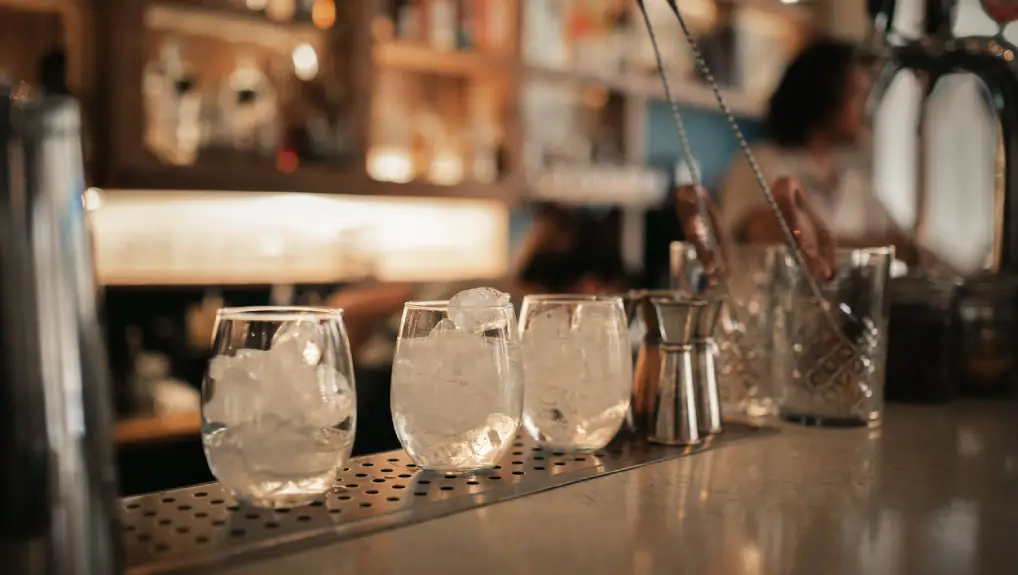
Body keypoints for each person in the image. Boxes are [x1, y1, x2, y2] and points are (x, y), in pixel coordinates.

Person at [720, 38, 918, 263]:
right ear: (823, 94)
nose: (867, 109)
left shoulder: (854, 181)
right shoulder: (759, 164)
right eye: (857, 95)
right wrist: (880, 245)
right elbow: (779, 243)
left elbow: (905, 243)